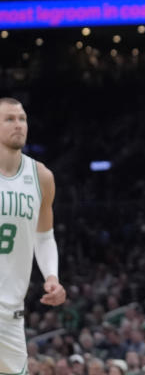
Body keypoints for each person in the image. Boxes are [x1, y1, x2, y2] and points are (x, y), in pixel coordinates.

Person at [0, 98, 67, 375]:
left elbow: (44, 235)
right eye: (9, 119)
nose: (19, 125)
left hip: (10, 312)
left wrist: (51, 276)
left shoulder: (41, 177)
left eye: (22, 118)